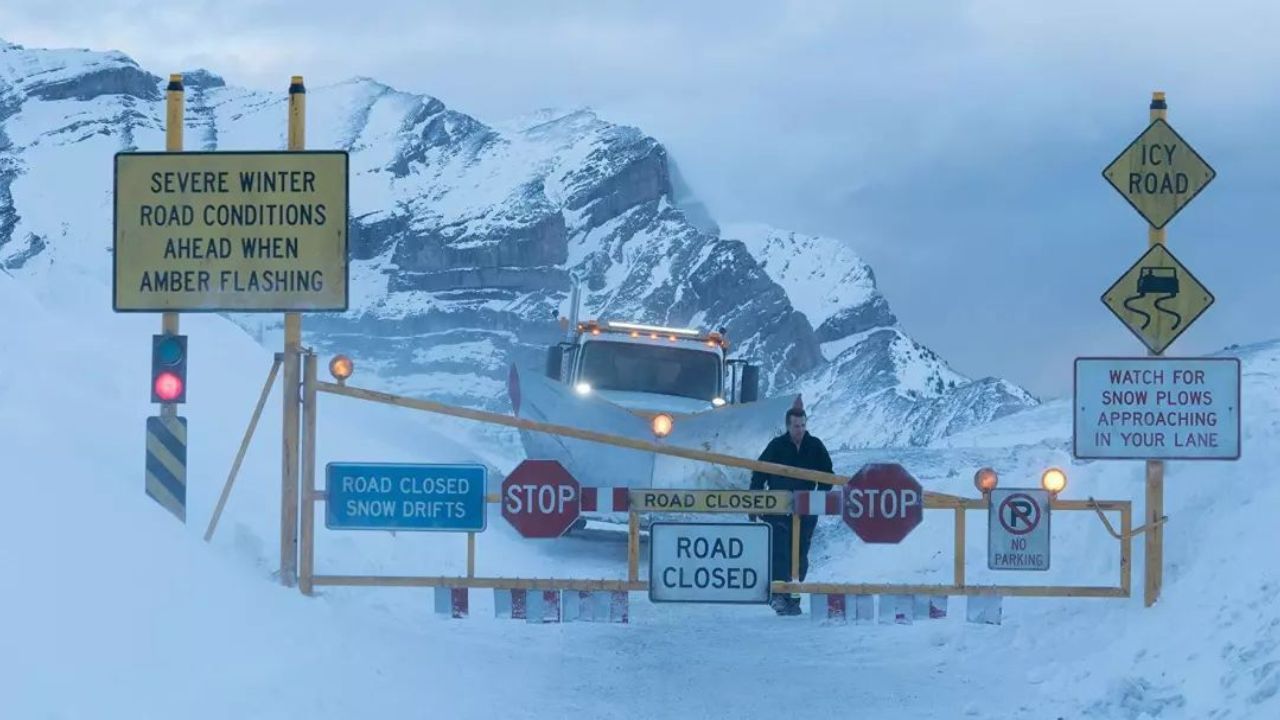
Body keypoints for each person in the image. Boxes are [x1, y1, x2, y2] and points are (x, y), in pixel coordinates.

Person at [749, 405, 833, 616]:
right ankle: (778, 595)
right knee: (780, 552)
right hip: (777, 509)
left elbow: (828, 476)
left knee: (801, 553)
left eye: (803, 425)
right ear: (788, 426)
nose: (800, 430)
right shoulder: (776, 446)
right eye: (796, 426)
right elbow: (759, 473)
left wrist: (817, 499)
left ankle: (794, 597)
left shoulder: (815, 446)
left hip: (805, 510)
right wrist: (754, 503)